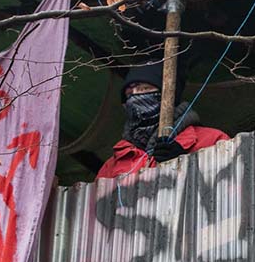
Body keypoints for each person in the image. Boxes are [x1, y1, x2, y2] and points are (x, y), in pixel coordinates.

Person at [96, 63, 230, 180]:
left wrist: (186, 164)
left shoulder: (212, 140)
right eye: (129, 94)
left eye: (144, 89)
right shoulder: (113, 165)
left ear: (169, 94)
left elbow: (230, 190)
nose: (135, 97)